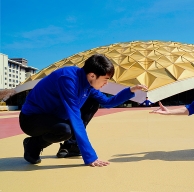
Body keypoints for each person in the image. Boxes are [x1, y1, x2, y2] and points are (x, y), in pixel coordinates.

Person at [19, 54, 147, 167]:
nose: (106, 84)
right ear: (92, 75)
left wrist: (130, 91)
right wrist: (90, 157)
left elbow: (108, 102)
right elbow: (74, 116)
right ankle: (33, 145)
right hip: (31, 119)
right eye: (105, 79)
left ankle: (72, 146)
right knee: (65, 130)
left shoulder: (87, 83)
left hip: (55, 117)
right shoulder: (67, 79)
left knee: (92, 103)